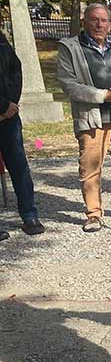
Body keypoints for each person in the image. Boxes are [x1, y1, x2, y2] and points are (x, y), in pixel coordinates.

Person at [57, 3, 111, 231]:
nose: (99, 24)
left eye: (104, 20)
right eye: (94, 19)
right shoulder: (70, 48)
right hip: (91, 118)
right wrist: (105, 95)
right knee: (90, 167)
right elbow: (70, 84)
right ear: (84, 21)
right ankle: (93, 214)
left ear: (110, 24)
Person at [0, 30, 44, 239]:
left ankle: (29, 216)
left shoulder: (1, 41)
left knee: (19, 167)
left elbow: (15, 71)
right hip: (4, 110)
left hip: (8, 117)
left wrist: (10, 105)